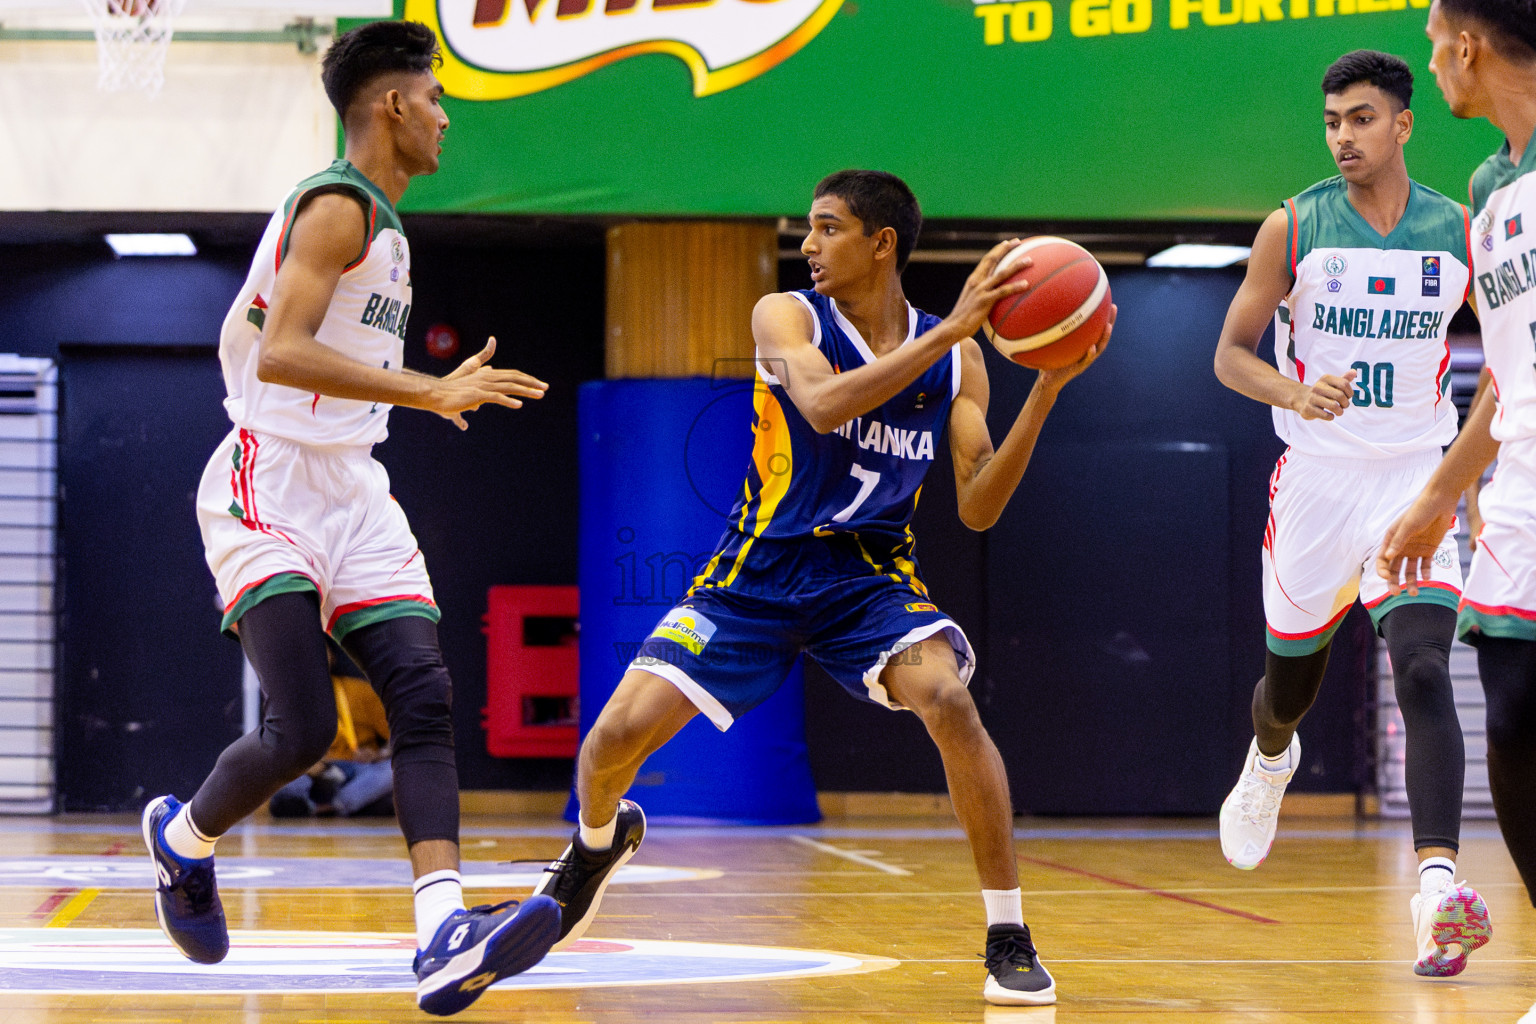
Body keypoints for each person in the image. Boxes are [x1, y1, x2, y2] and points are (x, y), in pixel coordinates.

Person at [534, 170, 1111, 1006]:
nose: (808, 244)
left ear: (882, 244)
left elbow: (979, 504)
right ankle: (596, 845)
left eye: (828, 227)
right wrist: (952, 329)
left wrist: (1047, 391)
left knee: (948, 701)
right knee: (611, 740)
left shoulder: (959, 361)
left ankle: (1007, 932)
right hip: (753, 576)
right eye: (809, 228)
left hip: (867, 580)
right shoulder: (788, 316)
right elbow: (822, 405)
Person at [138, 20, 559, 1016]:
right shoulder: (337, 207)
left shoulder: (389, 227)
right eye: (437, 98)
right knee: (305, 728)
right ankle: (183, 842)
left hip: (355, 487)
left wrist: (412, 394)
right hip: (268, 478)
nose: (446, 118)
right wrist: (428, 389)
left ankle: (442, 931)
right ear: (392, 104)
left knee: (424, 695)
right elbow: (281, 353)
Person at [1211, 50, 1491, 977]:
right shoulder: (1293, 227)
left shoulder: (1459, 231)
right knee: (1288, 691)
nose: (1343, 137)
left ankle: (1436, 891)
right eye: (1332, 121)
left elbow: (1506, 362)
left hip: (1412, 480)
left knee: (1424, 669)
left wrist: (1466, 484)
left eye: (1362, 119)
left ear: (1403, 124)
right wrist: (1293, 394)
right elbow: (1230, 356)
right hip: (1317, 484)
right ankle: (1270, 759)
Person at [1377, 0, 1536, 981]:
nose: (1433, 67)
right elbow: (1504, 373)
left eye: (1435, 48)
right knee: (1512, 712)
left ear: (1467, 47)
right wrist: (1439, 493)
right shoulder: (1488, 186)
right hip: (1520, 483)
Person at [268, 654, 394, 819]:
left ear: (332, 657)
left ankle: (329, 806)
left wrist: (379, 754)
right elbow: (281, 745)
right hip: (312, 770)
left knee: (392, 770)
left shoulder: (361, 690)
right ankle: (351, 805)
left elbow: (396, 734)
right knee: (280, 776)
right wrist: (306, 764)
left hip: (358, 768)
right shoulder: (289, 699)